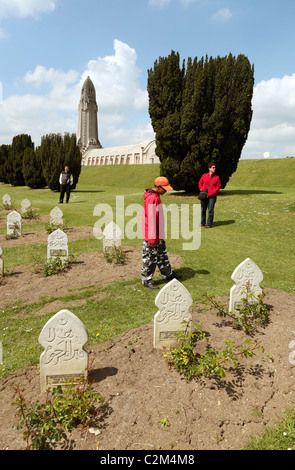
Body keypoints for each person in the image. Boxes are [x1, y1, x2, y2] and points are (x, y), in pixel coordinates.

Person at [141, 176, 181, 289]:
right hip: (152, 236)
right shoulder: (152, 199)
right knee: (150, 258)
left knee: (162, 255)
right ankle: (146, 280)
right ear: (158, 187)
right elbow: (151, 220)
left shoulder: (156, 196)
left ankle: (168, 273)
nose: (166, 191)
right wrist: (152, 239)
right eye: (164, 188)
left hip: (158, 235)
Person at [198, 163, 221, 228]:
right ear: (209, 168)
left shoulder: (217, 177)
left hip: (212, 196)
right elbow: (200, 183)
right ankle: (202, 222)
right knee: (203, 209)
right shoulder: (204, 175)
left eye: (215, 167)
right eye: (213, 167)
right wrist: (201, 189)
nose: (214, 169)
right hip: (204, 195)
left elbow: (218, 186)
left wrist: (212, 192)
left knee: (210, 210)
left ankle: (209, 224)